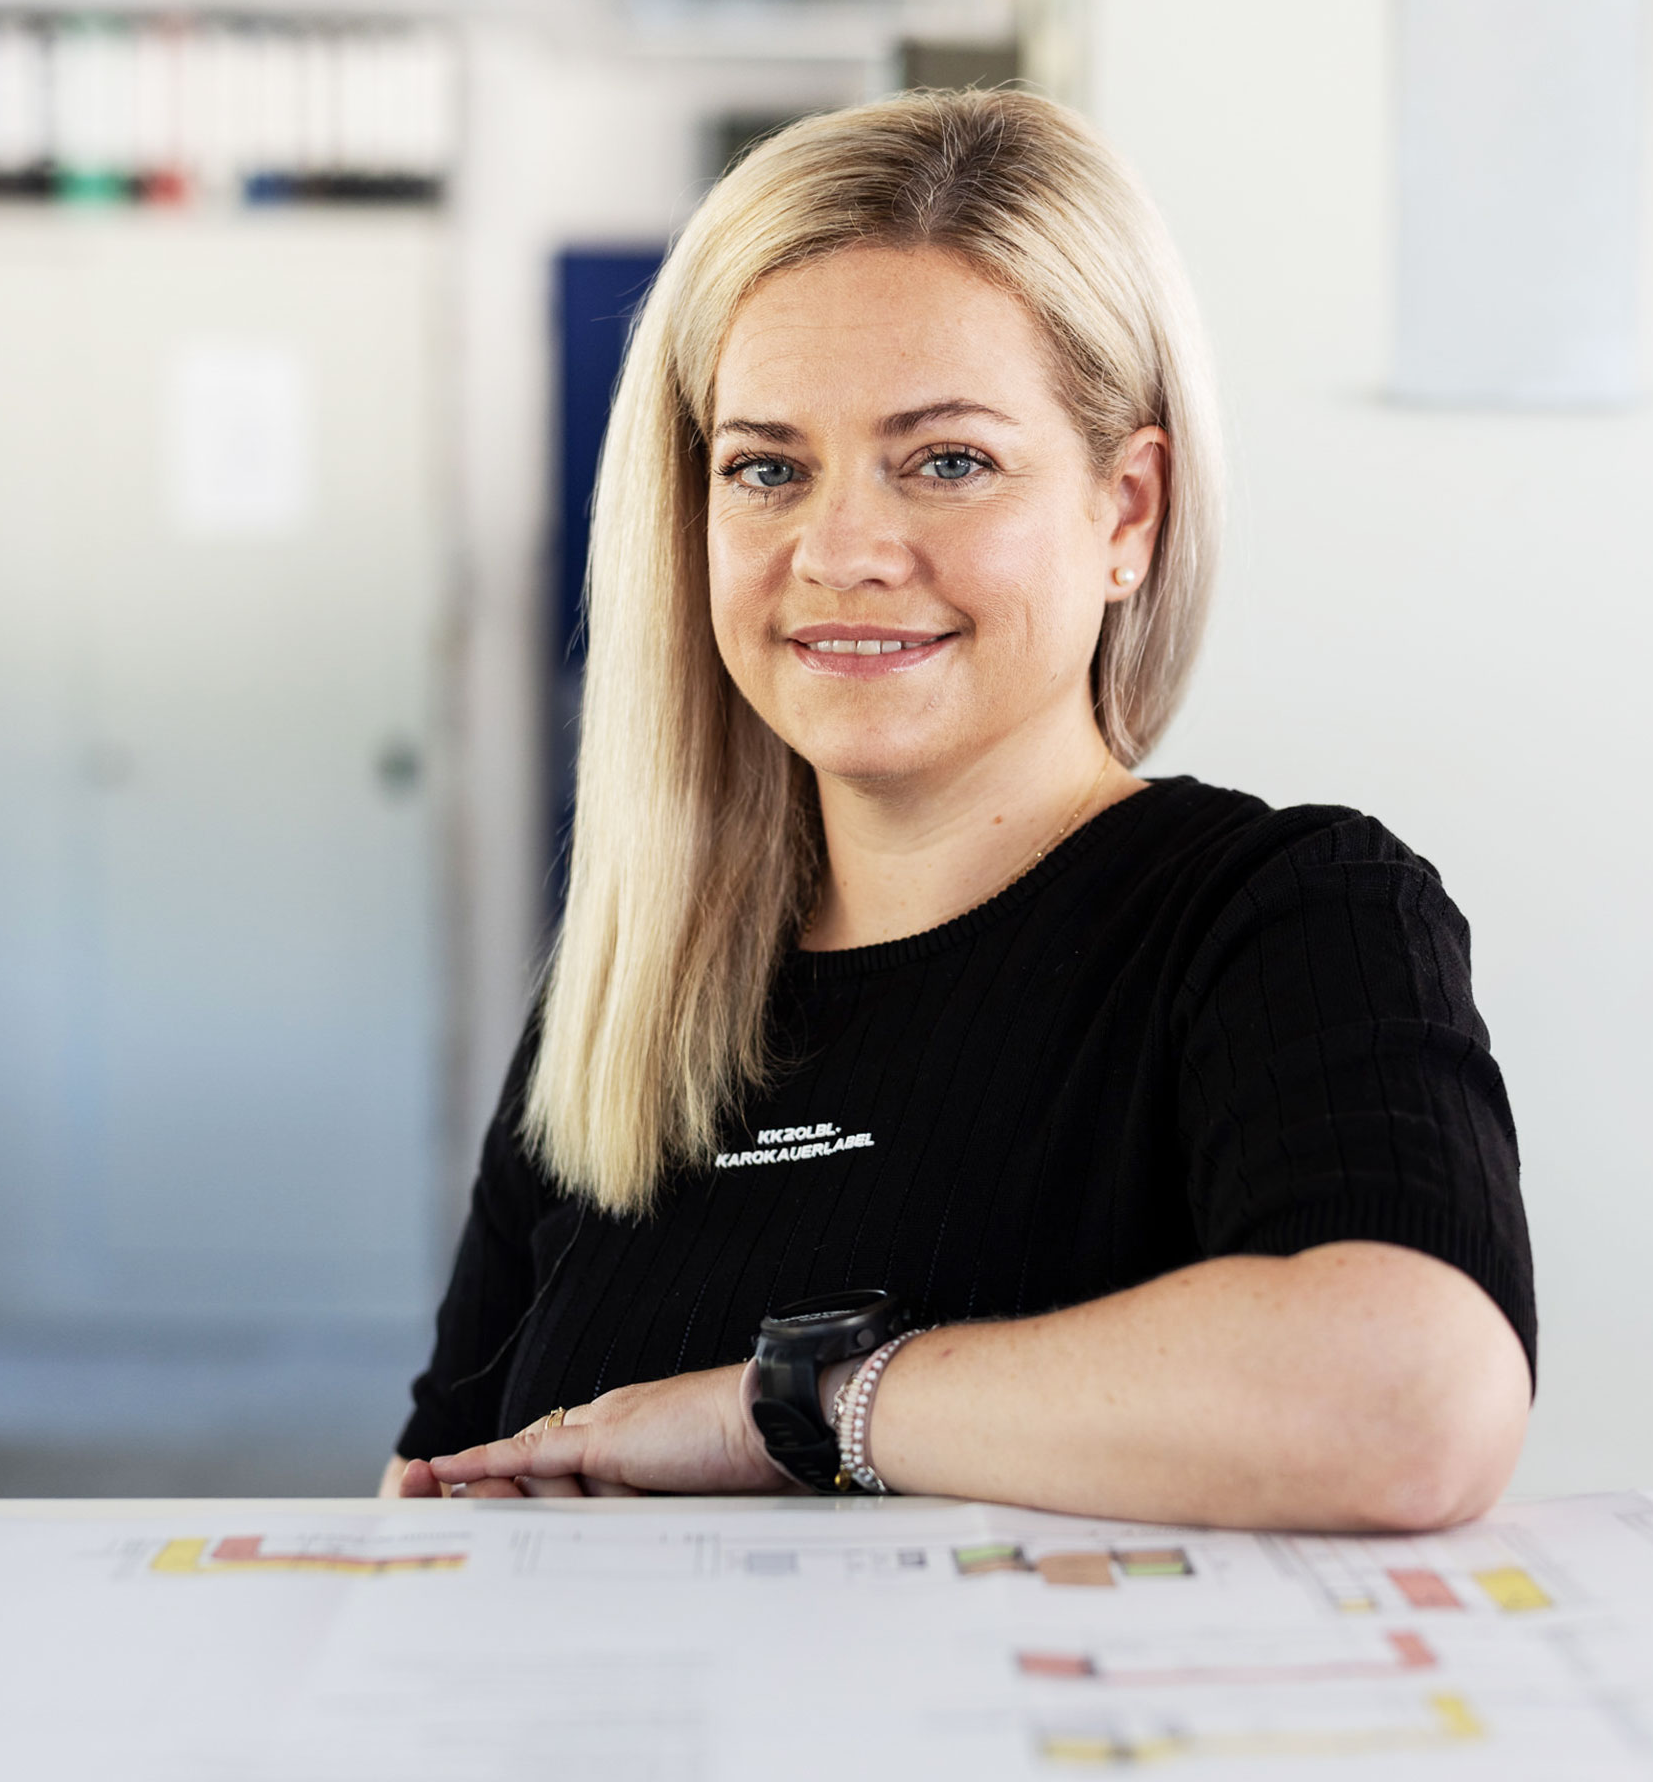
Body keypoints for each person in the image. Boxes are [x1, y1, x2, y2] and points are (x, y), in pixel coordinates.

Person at [382, 90, 1534, 1530]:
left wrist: (791, 1410)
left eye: (947, 462)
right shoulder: (629, 999)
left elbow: (1410, 1403)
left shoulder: (1284, 917)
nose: (843, 549)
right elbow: (431, 1508)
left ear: (1127, 513)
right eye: (767, 468)